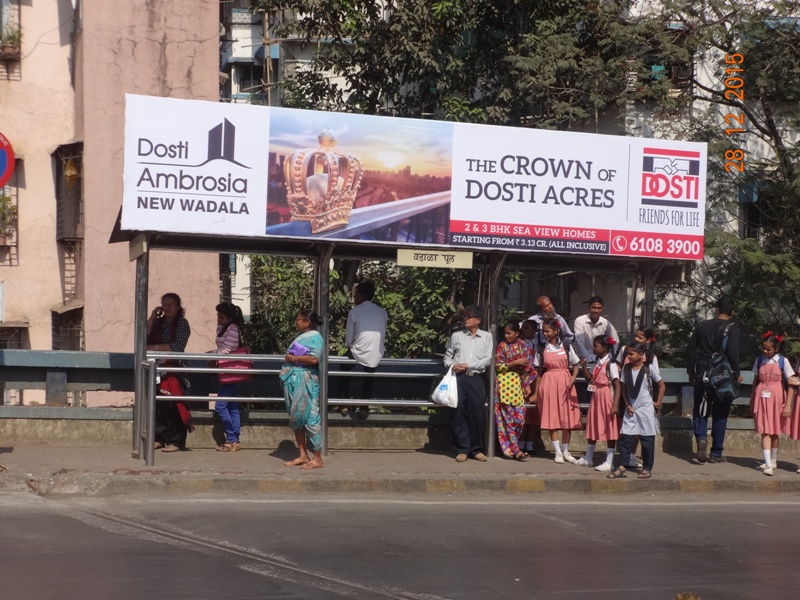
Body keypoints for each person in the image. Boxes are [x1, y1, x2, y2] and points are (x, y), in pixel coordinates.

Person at [686, 296, 741, 464]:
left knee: (700, 409)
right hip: (722, 376)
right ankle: (716, 453)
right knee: (721, 413)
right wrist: (736, 372)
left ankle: (701, 437)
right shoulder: (733, 329)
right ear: (732, 312)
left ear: (717, 310)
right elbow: (732, 352)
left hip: (702, 371)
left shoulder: (701, 326)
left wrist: (690, 370)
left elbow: (690, 349)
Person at [608, 342, 665, 479]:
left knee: (646, 438)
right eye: (628, 353)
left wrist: (658, 402)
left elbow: (661, 385)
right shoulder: (626, 369)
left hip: (645, 408)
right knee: (626, 437)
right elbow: (623, 389)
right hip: (631, 409)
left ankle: (647, 468)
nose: (629, 356)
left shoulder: (648, 368)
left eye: (632, 354)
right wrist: (627, 405)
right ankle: (622, 466)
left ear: (641, 355)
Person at [444, 305, 493, 463]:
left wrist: (468, 365)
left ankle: (476, 449)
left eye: (469, 316)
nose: (465, 319)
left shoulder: (486, 337)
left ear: (477, 320)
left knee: (477, 413)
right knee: (458, 412)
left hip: (476, 378)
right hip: (458, 378)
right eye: (464, 316)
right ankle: (462, 449)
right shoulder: (457, 336)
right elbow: (448, 356)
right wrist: (453, 366)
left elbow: (486, 359)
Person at [147, 292, 193, 453]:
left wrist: (155, 348)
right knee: (158, 405)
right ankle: (159, 438)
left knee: (174, 405)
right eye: (164, 304)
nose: (167, 308)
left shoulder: (182, 323)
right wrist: (152, 317)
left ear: (178, 307)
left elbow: (178, 346)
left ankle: (176, 441)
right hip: (156, 369)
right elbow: (143, 336)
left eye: (171, 305)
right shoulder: (158, 323)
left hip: (174, 369)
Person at [280, 309, 325, 470]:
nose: (296, 322)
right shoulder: (303, 337)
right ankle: (302, 454)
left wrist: (293, 358)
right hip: (294, 380)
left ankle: (317, 457)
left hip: (306, 382)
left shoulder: (315, 338)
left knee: (311, 419)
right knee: (296, 418)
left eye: (299, 319)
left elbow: (313, 358)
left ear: (307, 322)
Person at [533, 317, 582, 464]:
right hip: (549, 384)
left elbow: (576, 364)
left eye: (547, 331)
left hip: (565, 383)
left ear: (556, 330)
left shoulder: (566, 346)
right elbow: (539, 371)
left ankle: (566, 450)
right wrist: (537, 391)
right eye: (543, 332)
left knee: (567, 418)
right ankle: (557, 452)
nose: (545, 334)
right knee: (551, 416)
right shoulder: (542, 349)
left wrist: (573, 378)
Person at [750, 332, 797, 476]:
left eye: (769, 349)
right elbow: (755, 381)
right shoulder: (759, 360)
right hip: (762, 396)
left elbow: (791, 383)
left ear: (776, 349)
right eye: (764, 348)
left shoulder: (783, 361)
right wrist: (752, 400)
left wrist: (788, 404)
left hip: (777, 397)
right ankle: (768, 464)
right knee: (765, 430)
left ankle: (773, 459)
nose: (765, 351)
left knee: (775, 431)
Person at [339, 280, 388, 417]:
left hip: (358, 349)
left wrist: (349, 346)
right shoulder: (382, 312)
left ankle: (343, 402)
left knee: (343, 368)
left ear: (362, 296)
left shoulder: (354, 312)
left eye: (356, 295)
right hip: (376, 351)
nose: (354, 298)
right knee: (369, 374)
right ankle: (364, 406)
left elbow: (349, 339)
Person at [615, 326, 659, 469]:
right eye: (636, 336)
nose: (636, 339)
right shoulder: (624, 350)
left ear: (647, 340)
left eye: (641, 337)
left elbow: (657, 381)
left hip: (644, 400)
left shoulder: (651, 358)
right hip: (628, 395)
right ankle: (624, 461)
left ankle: (635, 458)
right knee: (627, 429)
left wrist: (657, 401)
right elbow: (618, 368)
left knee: (644, 432)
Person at [578, 335, 620, 472]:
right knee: (593, 425)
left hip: (606, 396)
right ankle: (588, 457)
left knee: (609, 427)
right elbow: (589, 378)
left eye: (596, 346)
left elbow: (617, 385)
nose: (593, 348)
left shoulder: (610, 364)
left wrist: (615, 404)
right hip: (596, 396)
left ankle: (609, 461)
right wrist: (584, 367)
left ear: (604, 348)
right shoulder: (597, 361)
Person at [494, 322, 535, 461]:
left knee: (519, 419)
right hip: (505, 385)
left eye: (509, 333)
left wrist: (527, 384)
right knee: (508, 420)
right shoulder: (501, 346)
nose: (506, 336)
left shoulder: (524, 346)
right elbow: (498, 366)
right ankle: (515, 450)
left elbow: (528, 367)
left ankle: (511, 447)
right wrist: (514, 363)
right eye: (505, 333)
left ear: (517, 333)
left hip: (519, 386)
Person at [213, 302, 246, 452]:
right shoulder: (224, 328)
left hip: (231, 370)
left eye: (222, 317)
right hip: (228, 370)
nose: (219, 319)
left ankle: (231, 438)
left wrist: (213, 355)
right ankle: (235, 440)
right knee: (232, 406)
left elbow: (227, 349)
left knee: (220, 406)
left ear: (230, 318)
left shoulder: (232, 328)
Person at [574, 296, 619, 371]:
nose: (596, 311)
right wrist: (588, 359)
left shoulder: (605, 323)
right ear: (588, 308)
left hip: (601, 360)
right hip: (584, 361)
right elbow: (579, 343)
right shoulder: (580, 321)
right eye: (593, 307)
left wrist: (609, 356)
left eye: (599, 308)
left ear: (602, 309)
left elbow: (615, 340)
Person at [519, 319, 540, 455]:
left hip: (534, 377)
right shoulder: (519, 344)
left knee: (533, 412)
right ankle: (520, 441)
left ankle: (530, 443)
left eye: (527, 328)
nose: (523, 331)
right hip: (523, 377)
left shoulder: (539, 344)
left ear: (534, 331)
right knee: (523, 411)